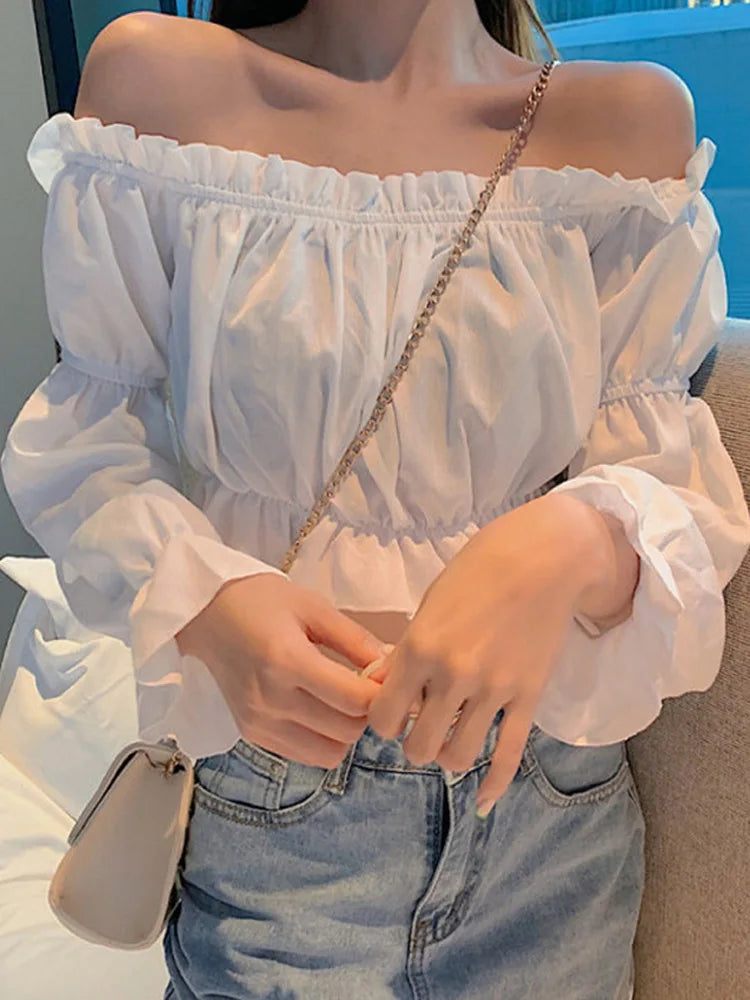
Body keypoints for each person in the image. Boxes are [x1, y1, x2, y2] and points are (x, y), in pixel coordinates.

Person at [3, 1, 750, 997]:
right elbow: (92, 441)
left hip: (546, 819)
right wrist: (209, 602)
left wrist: (573, 537)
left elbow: (674, 485)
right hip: (278, 819)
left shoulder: (623, 125)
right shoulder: (159, 86)